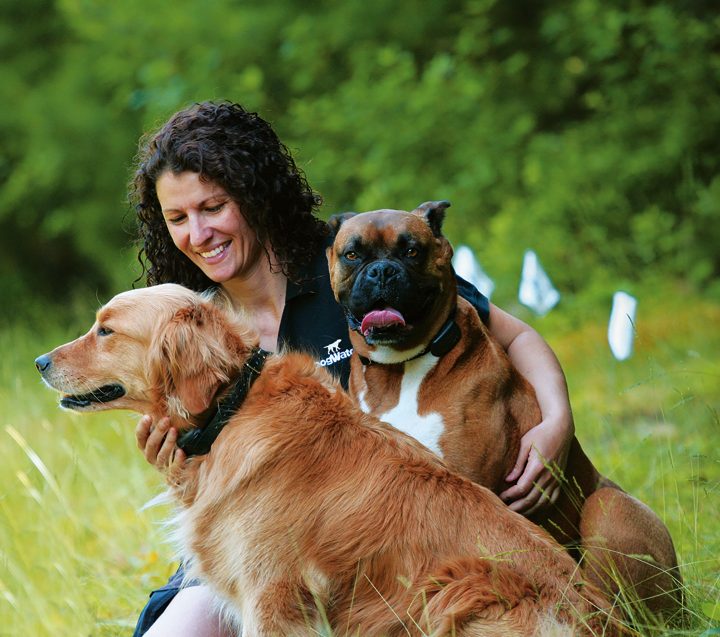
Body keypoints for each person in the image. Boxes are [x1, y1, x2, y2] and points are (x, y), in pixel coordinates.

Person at [129, 101, 575, 636]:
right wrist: (180, 467)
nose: (198, 233)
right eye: (177, 219)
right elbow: (224, 489)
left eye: (213, 207)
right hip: (266, 546)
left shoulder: (356, 260)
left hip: (378, 546)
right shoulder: (194, 328)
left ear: (253, 194)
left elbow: (516, 335)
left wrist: (556, 422)